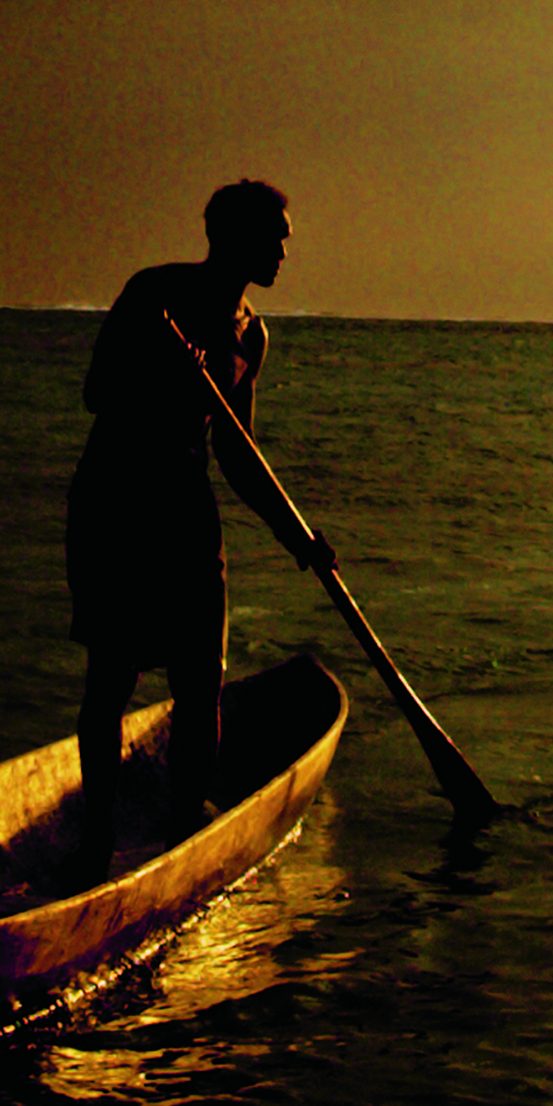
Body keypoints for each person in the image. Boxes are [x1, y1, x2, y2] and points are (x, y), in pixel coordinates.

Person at [71, 176, 320, 847]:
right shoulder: (155, 294)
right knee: (113, 674)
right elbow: (97, 393)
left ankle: (184, 828)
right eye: (273, 240)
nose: (283, 254)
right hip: (117, 499)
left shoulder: (251, 334)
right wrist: (165, 373)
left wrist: (297, 537)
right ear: (233, 237)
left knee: (202, 677)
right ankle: (95, 837)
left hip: (186, 505)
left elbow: (237, 453)